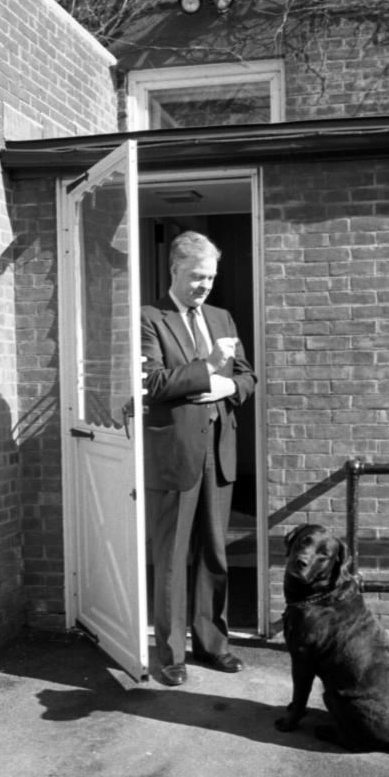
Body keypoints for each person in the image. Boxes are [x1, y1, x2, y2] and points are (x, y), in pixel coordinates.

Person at [141, 230, 257, 686]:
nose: (203, 286)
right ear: (175, 270)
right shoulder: (151, 319)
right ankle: (169, 657)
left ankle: (212, 644)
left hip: (218, 448)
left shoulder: (222, 316)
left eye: (209, 277)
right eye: (195, 277)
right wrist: (208, 367)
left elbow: (246, 376)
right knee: (172, 556)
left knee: (215, 551)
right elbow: (153, 384)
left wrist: (231, 386)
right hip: (175, 453)